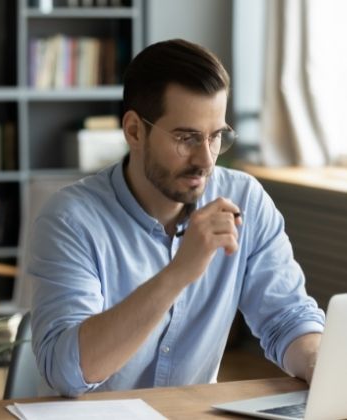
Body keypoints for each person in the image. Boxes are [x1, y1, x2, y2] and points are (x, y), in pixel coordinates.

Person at [29, 39, 325, 397]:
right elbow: (69, 372)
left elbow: (287, 318)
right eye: (186, 138)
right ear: (135, 131)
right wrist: (180, 271)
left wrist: (319, 365)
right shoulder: (71, 219)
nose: (206, 160)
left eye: (216, 136)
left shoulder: (245, 199)